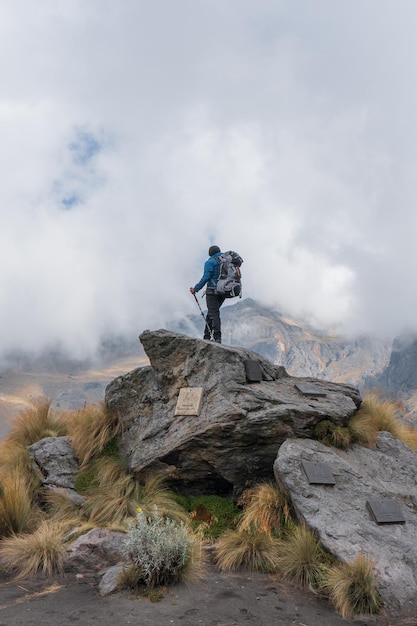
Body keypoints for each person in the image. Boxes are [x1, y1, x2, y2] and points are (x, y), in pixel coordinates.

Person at [190, 245, 225, 343]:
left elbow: (206, 277)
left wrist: (195, 289)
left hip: (212, 291)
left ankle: (217, 338)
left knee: (214, 313)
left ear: (210, 253)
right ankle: (206, 336)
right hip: (223, 292)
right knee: (212, 312)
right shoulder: (225, 261)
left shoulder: (210, 262)